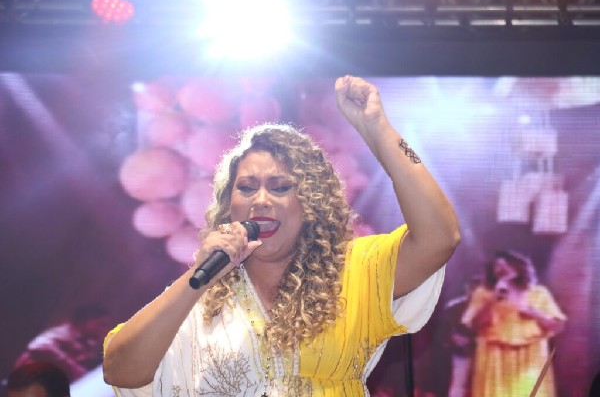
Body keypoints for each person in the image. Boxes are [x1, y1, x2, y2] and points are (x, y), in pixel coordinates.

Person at [102, 75, 461, 396]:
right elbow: (120, 370)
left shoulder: (354, 270)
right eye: (246, 188)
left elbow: (440, 237)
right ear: (229, 205)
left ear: (310, 203)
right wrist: (197, 279)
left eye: (280, 187)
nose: (261, 200)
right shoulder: (202, 294)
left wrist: (378, 129)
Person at [462, 251, 567, 397]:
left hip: (531, 355)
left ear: (519, 267)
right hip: (494, 355)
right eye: (497, 266)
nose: (501, 269)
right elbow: (475, 325)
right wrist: (493, 299)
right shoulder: (483, 293)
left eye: (506, 264)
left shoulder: (539, 293)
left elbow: (557, 326)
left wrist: (533, 312)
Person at [15, 304, 111, 382]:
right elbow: (38, 346)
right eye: (100, 324)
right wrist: (73, 368)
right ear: (85, 321)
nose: (104, 329)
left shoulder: (86, 342)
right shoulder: (64, 332)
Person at [442, 276, 481, 397]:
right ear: (467, 288)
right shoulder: (454, 307)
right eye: (472, 289)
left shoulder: (488, 307)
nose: (474, 292)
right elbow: (442, 331)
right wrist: (453, 339)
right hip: (460, 353)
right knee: (459, 384)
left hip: (483, 353)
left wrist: (474, 341)